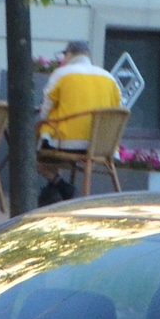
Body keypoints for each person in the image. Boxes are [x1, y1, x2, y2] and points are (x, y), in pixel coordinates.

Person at [37, 39, 121, 204]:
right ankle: (57, 189)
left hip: (67, 142)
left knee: (38, 151)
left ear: (68, 54)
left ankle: (58, 184)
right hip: (101, 145)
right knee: (48, 137)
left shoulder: (62, 74)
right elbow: (119, 108)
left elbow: (45, 110)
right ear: (88, 55)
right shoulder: (109, 78)